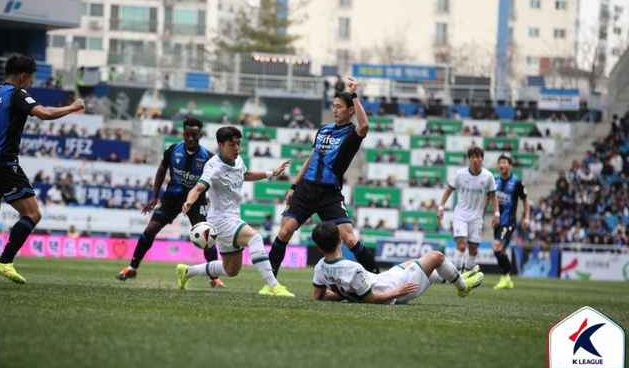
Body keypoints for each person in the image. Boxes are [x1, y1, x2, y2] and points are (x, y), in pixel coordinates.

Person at [268, 77, 380, 282]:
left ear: (350, 110)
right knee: (284, 232)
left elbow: (364, 124)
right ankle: (270, 282)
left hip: (330, 193)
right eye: (333, 106)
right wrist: (294, 186)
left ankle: (378, 279)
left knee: (349, 239)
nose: (335, 110)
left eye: (339, 107)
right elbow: (310, 158)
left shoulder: (352, 133)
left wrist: (354, 95)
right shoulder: (323, 129)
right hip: (306, 189)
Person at [0, 55, 85, 284]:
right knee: (32, 213)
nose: (31, 83)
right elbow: (44, 113)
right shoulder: (17, 93)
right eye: (31, 78)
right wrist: (73, 107)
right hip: (3, 164)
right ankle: (4, 261)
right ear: (23, 76)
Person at [177, 126, 294, 297]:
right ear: (221, 145)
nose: (237, 148)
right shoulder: (213, 166)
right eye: (232, 144)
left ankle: (187, 272)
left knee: (231, 269)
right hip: (221, 220)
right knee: (255, 238)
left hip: (232, 217)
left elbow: (245, 174)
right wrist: (189, 201)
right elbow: (199, 187)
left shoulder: (238, 160)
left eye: (239, 143)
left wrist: (271, 173)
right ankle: (273, 286)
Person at [116, 118, 223, 286]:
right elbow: (161, 170)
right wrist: (154, 197)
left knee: (206, 236)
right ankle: (132, 267)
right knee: (151, 229)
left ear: (200, 135)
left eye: (194, 135)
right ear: (183, 134)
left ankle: (214, 277)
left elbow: (215, 182)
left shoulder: (209, 158)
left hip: (196, 200)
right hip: (172, 197)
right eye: (187, 134)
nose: (190, 138)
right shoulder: (172, 150)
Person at [311, 222, 484, 304]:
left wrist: (346, 295)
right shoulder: (353, 268)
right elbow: (370, 299)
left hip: (382, 279)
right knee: (437, 257)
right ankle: (463, 287)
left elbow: (319, 296)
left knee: (414, 262)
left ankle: (458, 278)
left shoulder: (320, 267)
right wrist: (398, 292)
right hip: (392, 288)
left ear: (318, 247)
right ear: (340, 241)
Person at [437, 147, 499, 272]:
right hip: (461, 215)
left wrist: (496, 213)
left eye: (478, 157)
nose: (475, 160)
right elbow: (448, 190)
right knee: (461, 245)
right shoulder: (460, 174)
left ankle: (466, 276)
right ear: (469, 159)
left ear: (482, 159)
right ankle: (454, 274)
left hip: (477, 217)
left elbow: (493, 195)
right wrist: (441, 206)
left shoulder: (488, 176)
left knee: (473, 250)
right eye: (473, 157)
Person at [492, 155, 530, 289]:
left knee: (496, 248)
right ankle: (506, 279)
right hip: (497, 222)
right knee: (501, 251)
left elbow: (525, 200)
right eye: (499, 163)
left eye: (504, 162)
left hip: (509, 222)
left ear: (510, 165)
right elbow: (489, 197)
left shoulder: (517, 182)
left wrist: (526, 217)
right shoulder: (495, 181)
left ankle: (505, 275)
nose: (501, 165)